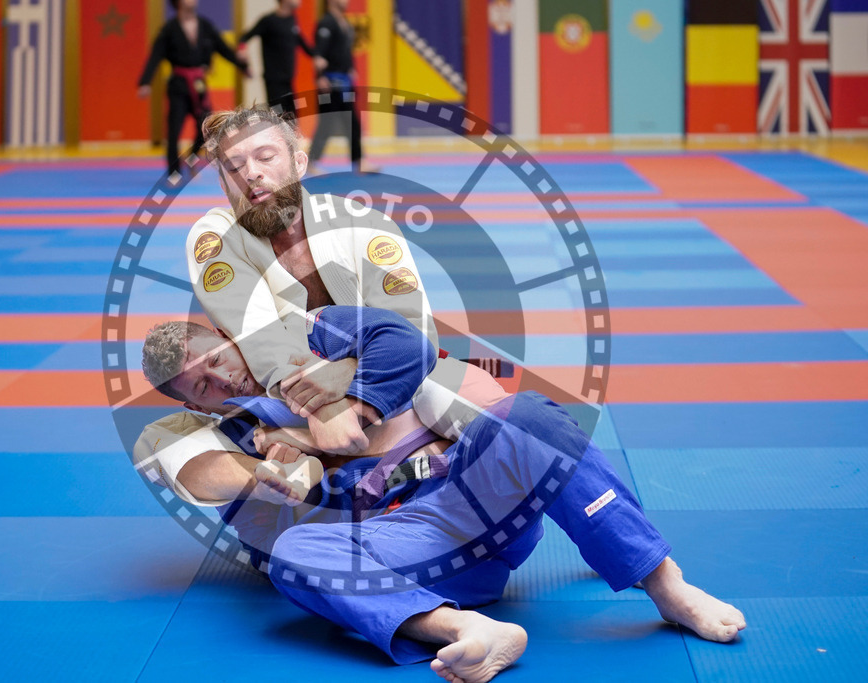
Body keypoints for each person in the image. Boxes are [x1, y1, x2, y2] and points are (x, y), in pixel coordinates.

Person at [135, 305, 747, 683]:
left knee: (527, 413)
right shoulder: (197, 432)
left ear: (223, 333)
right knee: (296, 553)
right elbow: (197, 472)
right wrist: (257, 474)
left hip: (462, 493)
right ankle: (463, 631)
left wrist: (352, 406)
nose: (222, 379)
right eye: (202, 386)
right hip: (402, 549)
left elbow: (405, 343)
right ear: (190, 403)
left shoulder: (304, 330)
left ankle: (666, 586)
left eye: (214, 358)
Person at [187, 104, 507, 449]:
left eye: (265, 157)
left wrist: (348, 378)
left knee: (492, 415)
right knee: (174, 444)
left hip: (388, 378)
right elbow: (260, 336)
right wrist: (326, 407)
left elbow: (412, 332)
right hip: (283, 397)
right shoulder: (216, 237)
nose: (251, 173)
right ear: (223, 183)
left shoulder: (366, 224)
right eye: (234, 167)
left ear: (298, 162)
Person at [137, 0, 250, 176]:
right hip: (178, 86)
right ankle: (173, 172)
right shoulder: (169, 30)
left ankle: (192, 157)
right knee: (174, 132)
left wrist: (243, 67)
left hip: (199, 86)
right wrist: (145, 82)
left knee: (207, 128)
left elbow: (224, 49)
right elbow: (155, 56)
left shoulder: (205, 26)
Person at [307, 0, 372, 174]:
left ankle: (359, 162)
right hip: (329, 83)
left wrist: (352, 70)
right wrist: (319, 77)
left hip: (345, 83)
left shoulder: (346, 24)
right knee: (326, 124)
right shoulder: (326, 23)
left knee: (353, 123)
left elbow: (346, 53)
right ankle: (311, 162)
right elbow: (318, 55)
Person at [237, 0, 314, 116]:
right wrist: (243, 53)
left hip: (288, 80)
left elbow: (304, 45)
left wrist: (322, 54)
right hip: (274, 80)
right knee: (278, 117)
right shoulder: (268, 21)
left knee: (293, 115)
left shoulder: (292, 20)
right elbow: (244, 37)